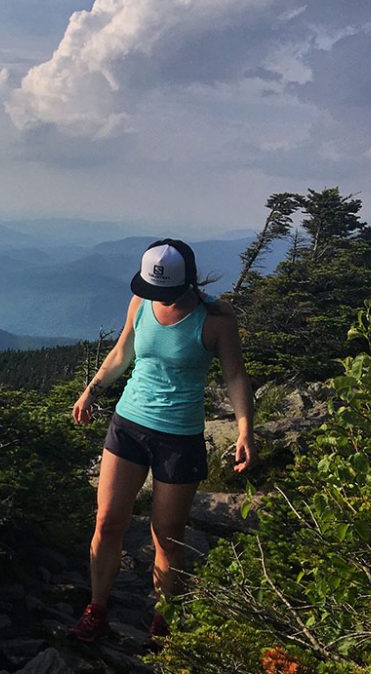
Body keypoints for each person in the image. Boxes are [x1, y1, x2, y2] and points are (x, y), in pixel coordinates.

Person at [67, 238, 256, 647]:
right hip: (128, 424)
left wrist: (245, 428)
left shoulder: (216, 319)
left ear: (187, 281)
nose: (158, 298)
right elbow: (122, 353)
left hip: (179, 436)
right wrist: (91, 391)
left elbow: (236, 375)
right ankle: (97, 610)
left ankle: (164, 623)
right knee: (106, 521)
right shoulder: (140, 302)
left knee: (166, 535)